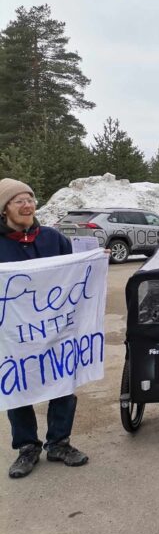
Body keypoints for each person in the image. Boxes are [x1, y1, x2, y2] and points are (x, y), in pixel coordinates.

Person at [0, 178, 89, 478]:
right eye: (18, 201)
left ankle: (59, 443)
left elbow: (74, 273)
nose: (27, 205)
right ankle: (27, 447)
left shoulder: (53, 239)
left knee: (63, 378)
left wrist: (93, 263)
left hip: (54, 327)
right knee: (18, 385)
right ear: (4, 209)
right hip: (13, 333)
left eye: (30, 198)